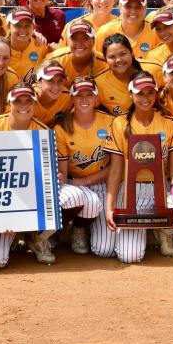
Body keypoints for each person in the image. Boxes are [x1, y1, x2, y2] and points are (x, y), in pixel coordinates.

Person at [103, 72, 173, 262]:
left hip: (161, 187)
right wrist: (109, 207)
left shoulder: (169, 122)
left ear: (156, 94)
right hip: (129, 190)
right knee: (123, 255)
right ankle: (146, 230)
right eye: (140, 93)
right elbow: (115, 171)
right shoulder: (120, 123)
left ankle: (165, 230)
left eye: (150, 93)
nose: (145, 98)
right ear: (131, 94)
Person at [0, 83, 55, 269]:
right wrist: (3, 213)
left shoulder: (43, 132)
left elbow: (42, 181)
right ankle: (14, 234)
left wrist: (18, 215)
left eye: (28, 101)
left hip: (26, 196)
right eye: (17, 101)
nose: (23, 106)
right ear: (9, 102)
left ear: (35, 104)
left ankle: (34, 236)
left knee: (73, 197)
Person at [55, 76, 114, 255]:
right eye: (79, 95)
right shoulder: (62, 126)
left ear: (97, 98)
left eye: (89, 95)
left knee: (104, 250)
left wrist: (87, 181)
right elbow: (63, 172)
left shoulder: (110, 122)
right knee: (83, 201)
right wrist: (68, 182)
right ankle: (75, 228)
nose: (84, 99)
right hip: (75, 184)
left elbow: (117, 166)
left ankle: (84, 225)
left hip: (103, 182)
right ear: (72, 98)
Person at [94, 0, 159, 60]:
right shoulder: (105, 31)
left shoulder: (155, 33)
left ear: (145, 8)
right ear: (120, 7)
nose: (133, 11)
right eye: (128, 6)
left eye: (138, 7)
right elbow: (98, 63)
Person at [7, 7, 51, 80]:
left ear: (33, 26)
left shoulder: (40, 45)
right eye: (17, 25)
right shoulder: (1, 48)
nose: (23, 30)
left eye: (27, 25)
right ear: (8, 26)